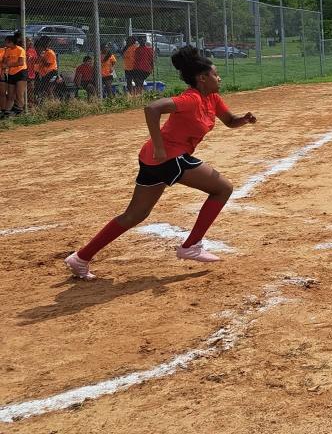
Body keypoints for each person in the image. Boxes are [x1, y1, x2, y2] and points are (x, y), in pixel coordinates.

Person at [64, 47, 257, 280]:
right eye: (216, 75)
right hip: (168, 157)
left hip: (156, 160)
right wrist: (159, 146)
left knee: (135, 214)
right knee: (223, 188)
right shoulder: (191, 99)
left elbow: (230, 121)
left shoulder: (212, 98)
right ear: (202, 78)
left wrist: (243, 120)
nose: (219, 78)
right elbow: (152, 108)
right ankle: (191, 246)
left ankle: (80, 258)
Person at [1, 34, 29, 118]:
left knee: (19, 94)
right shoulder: (7, 50)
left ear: (12, 43)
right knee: (10, 95)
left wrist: (8, 65)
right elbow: (5, 62)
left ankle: (20, 111)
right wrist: (3, 69)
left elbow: (21, 63)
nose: (5, 43)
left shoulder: (20, 50)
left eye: (7, 42)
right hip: (11, 73)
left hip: (21, 72)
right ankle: (7, 112)